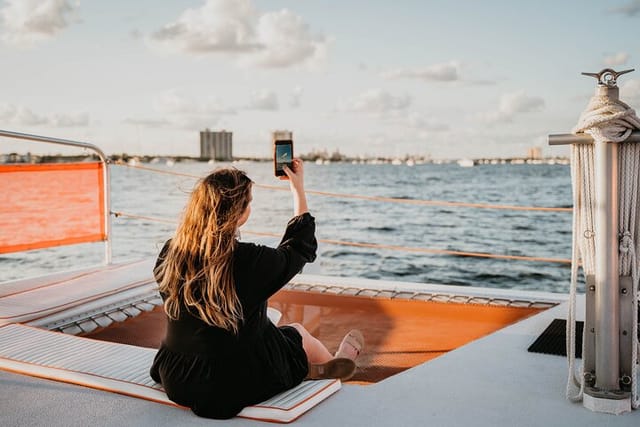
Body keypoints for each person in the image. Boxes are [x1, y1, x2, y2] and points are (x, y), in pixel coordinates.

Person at [149, 159, 364, 419]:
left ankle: (315, 367)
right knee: (296, 332)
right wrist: (298, 187)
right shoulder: (249, 261)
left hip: (177, 376)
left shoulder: (170, 253)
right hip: (230, 384)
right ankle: (332, 365)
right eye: (248, 202)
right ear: (239, 214)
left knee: (260, 327)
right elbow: (300, 246)